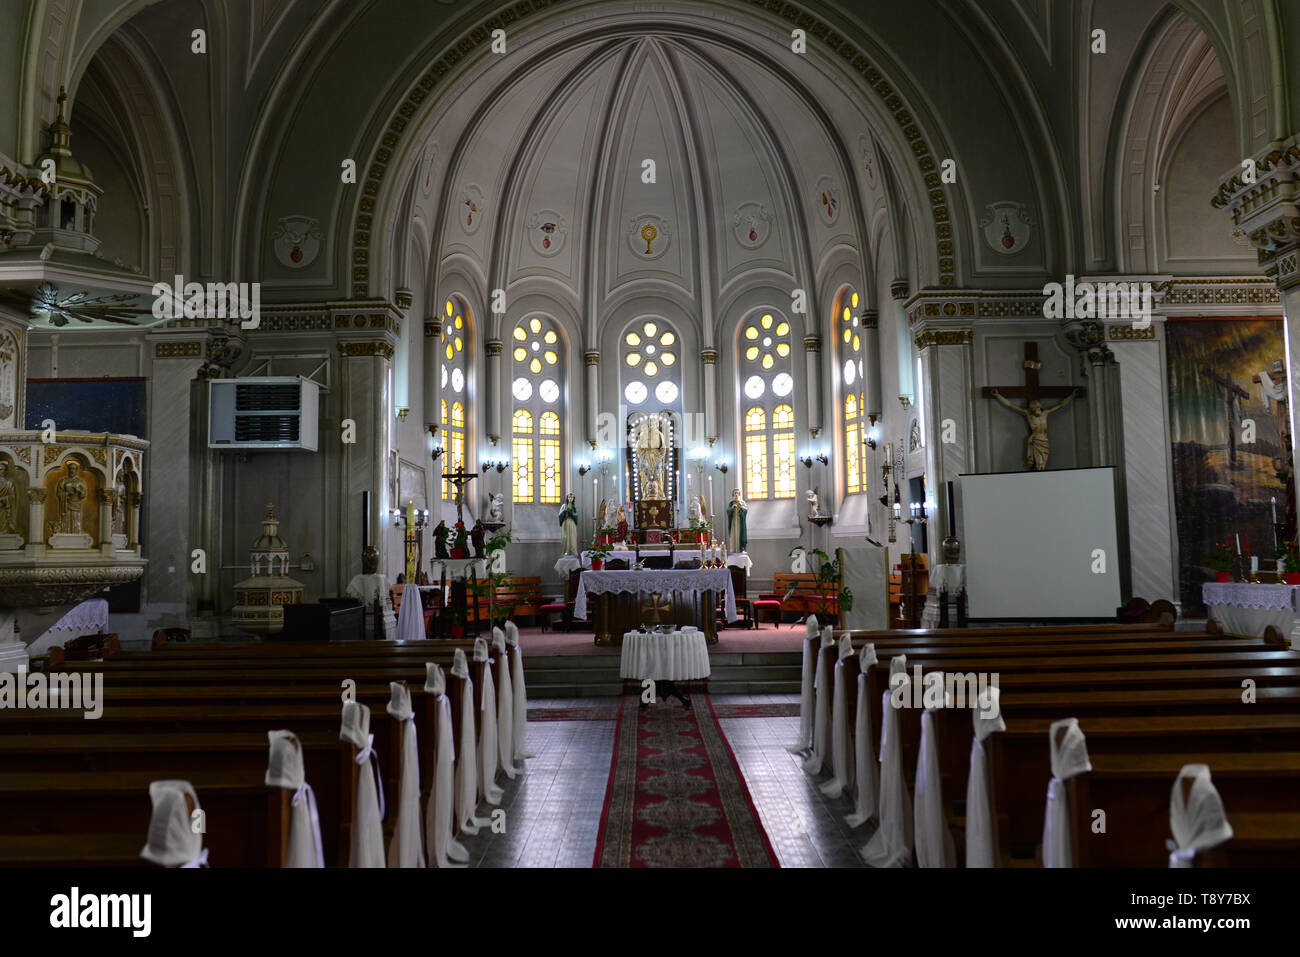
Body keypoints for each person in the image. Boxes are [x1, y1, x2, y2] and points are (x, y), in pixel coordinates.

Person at [989, 388, 1079, 471]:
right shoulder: (1028, 414)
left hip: (1044, 440)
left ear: (1040, 408)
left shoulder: (1046, 413)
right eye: (1034, 409)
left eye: (1038, 409)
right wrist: (998, 395)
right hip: (1035, 440)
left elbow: (1061, 405)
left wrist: (1072, 395)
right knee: (1038, 462)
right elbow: (1011, 406)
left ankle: (1040, 472)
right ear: (1032, 409)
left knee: (1043, 462)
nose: (1037, 411)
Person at [726, 487, 748, 553]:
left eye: (737, 493)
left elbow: (746, 510)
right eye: (735, 493)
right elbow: (728, 511)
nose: (736, 494)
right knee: (733, 535)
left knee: (741, 535)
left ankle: (741, 548)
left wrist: (741, 507)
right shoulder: (731, 503)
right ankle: (733, 549)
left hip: (740, 522)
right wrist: (732, 508)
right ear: (733, 494)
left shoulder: (742, 502)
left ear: (739, 494)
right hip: (733, 522)